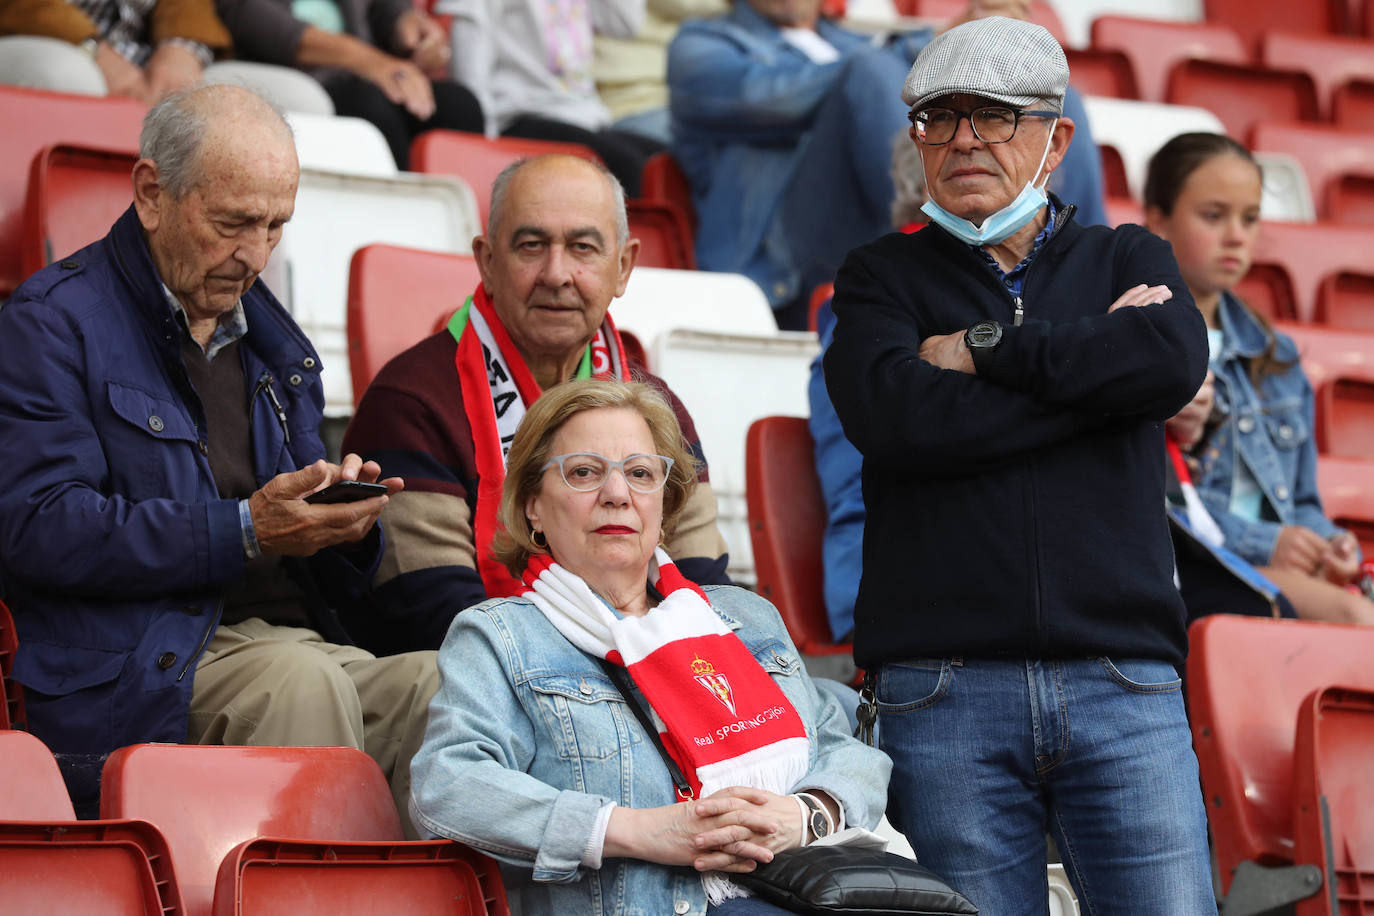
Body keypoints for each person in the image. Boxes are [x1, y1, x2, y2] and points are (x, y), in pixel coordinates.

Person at [823, 17, 1216, 912]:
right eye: (939, 117)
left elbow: (1168, 364)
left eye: (993, 116)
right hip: (942, 687)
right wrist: (1092, 388)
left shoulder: (1129, 255)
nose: (963, 138)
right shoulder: (878, 276)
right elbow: (895, 419)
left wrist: (986, 349)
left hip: (1125, 682)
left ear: (1056, 138)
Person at [0, 85, 436, 830]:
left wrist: (342, 528)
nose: (256, 255)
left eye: (275, 227)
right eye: (234, 223)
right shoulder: (48, 327)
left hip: (282, 642)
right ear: (151, 194)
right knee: (299, 682)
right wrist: (242, 530)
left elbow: (293, 541)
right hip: (137, 663)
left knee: (447, 684)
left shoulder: (270, 336)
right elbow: (38, 527)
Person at [409, 378, 891, 916]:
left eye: (640, 473)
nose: (617, 493)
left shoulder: (746, 617)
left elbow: (844, 748)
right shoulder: (499, 636)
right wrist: (636, 831)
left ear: (663, 506)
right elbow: (447, 786)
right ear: (532, 509)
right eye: (584, 472)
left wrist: (805, 814)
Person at [341, 154, 731, 656]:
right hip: (484, 687)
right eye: (531, 246)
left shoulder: (658, 410)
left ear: (624, 267)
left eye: (583, 248)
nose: (556, 273)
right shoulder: (412, 402)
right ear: (486, 261)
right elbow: (437, 615)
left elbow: (703, 587)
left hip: (651, 670)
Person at [667, 0, 1107, 329]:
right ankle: (967, 267)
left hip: (877, 237)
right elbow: (766, 100)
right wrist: (943, 43)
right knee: (870, 71)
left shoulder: (858, 45)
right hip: (788, 260)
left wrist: (987, 42)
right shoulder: (701, 44)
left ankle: (1080, 278)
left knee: (1051, 94)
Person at [1145, 132, 1374, 626]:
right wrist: (1267, 543)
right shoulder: (1138, 339)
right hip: (1198, 570)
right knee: (1358, 622)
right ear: (1157, 219)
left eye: (1249, 219)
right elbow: (1158, 507)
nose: (1236, 235)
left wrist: (1329, 543)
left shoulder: (1278, 355)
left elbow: (1302, 501)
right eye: (1213, 216)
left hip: (1277, 566)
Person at [213, 0, 484, 169]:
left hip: (365, 72)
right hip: (289, 72)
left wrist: (408, 27)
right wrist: (371, 62)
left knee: (459, 105)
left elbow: (385, 9)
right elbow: (254, 19)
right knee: (369, 109)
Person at [438, 0, 662, 195]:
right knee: (627, 166)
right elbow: (470, 41)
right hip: (519, 115)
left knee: (661, 161)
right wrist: (484, 142)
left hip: (584, 117)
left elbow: (624, 23)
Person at [0, 0, 231, 100]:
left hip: (146, 57)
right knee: (71, 76)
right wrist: (90, 49)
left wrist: (182, 46)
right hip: (36, 37)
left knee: (242, 94)